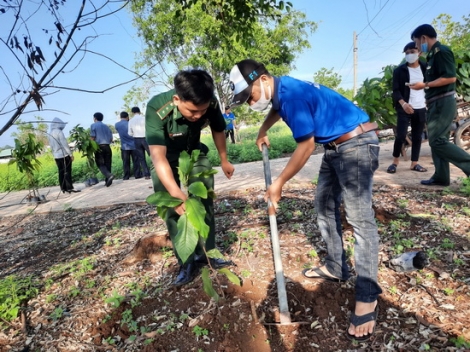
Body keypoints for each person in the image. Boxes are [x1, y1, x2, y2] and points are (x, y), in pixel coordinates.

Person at [229, 59, 381, 341]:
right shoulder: (282, 90)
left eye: (249, 96)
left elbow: (306, 145)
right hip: (337, 147)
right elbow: (276, 109)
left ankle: (368, 296)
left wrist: (279, 183)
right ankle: (337, 267)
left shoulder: (292, 95)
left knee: (360, 220)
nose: (251, 103)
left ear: (263, 79)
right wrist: (263, 130)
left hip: (356, 144)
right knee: (324, 205)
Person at [146, 69, 235, 286]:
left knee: (204, 200)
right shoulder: (156, 109)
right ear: (177, 99)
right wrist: (177, 194)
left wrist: (224, 159)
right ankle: (186, 261)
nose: (197, 117)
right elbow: (158, 157)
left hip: (194, 153)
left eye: (201, 111)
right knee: (174, 209)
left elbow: (217, 129)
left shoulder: (210, 103)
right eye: (192, 112)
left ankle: (208, 251)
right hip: (167, 159)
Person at [410, 24, 470, 185]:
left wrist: (425, 85)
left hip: (443, 101)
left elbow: (450, 78)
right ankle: (441, 177)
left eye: (416, 42)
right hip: (436, 102)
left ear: (423, 38)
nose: (416, 47)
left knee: (437, 141)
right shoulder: (432, 56)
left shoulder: (441, 51)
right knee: (437, 140)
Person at [387, 42, 428, 174]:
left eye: (412, 51)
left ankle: (414, 163)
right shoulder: (399, 70)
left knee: (417, 137)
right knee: (401, 135)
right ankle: (395, 162)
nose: (410, 54)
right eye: (407, 53)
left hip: (421, 107)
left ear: (419, 53)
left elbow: (430, 85)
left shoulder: (426, 68)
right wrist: (403, 104)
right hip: (404, 107)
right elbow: (396, 90)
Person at [48, 117, 80, 194]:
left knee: (61, 172)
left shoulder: (50, 133)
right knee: (67, 171)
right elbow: (64, 144)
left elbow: (51, 147)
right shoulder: (59, 132)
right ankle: (69, 187)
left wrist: (54, 156)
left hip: (56, 156)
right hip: (64, 155)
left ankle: (63, 188)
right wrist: (70, 154)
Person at [90, 112, 115, 187]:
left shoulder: (93, 125)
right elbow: (111, 139)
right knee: (108, 163)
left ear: (95, 118)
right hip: (107, 146)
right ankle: (108, 181)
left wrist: (90, 145)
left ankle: (109, 175)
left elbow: (93, 138)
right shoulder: (106, 127)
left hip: (99, 147)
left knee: (100, 163)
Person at [129, 107, 151, 179]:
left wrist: (135, 133)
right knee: (152, 155)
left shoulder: (131, 121)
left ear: (132, 112)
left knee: (142, 158)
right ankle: (156, 170)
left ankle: (146, 174)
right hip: (146, 138)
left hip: (137, 139)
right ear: (139, 111)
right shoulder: (144, 118)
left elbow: (130, 133)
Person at [115, 111, 138, 180]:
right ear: (127, 117)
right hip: (133, 145)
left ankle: (126, 176)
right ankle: (137, 174)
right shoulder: (130, 123)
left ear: (120, 117)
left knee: (125, 162)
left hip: (124, 146)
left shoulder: (117, 125)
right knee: (136, 161)